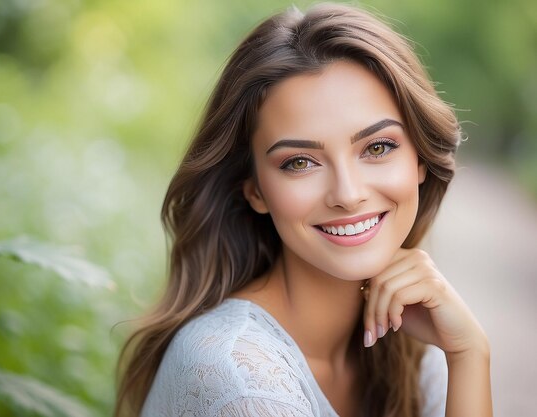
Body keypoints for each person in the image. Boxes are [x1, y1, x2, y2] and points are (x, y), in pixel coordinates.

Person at [114, 3, 492, 417]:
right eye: (299, 162)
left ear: (419, 160)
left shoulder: (414, 344)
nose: (347, 194)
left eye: (377, 147)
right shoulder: (237, 377)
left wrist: (469, 353)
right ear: (255, 189)